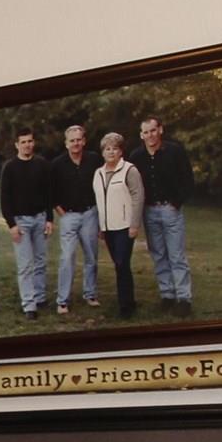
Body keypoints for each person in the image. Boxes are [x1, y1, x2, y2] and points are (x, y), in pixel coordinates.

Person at [133, 115, 196, 312]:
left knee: (176, 255)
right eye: (145, 132)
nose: (150, 135)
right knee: (158, 254)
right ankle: (167, 295)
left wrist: (177, 202)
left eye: (153, 130)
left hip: (171, 209)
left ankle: (184, 298)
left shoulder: (174, 151)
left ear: (160, 130)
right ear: (141, 135)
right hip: (149, 211)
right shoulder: (136, 157)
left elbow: (188, 179)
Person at [0, 124, 60, 316]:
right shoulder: (9, 168)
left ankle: (40, 298)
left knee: (40, 261)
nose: (27, 145)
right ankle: (29, 305)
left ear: (34, 143)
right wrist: (12, 225)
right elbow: (4, 199)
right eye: (23, 142)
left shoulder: (42, 165)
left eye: (30, 141)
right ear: (17, 145)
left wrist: (49, 219)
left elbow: (49, 194)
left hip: (40, 218)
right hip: (21, 222)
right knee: (25, 265)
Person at [92, 130, 147, 318]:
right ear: (102, 152)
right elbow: (99, 201)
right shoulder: (98, 173)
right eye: (107, 149)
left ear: (121, 151)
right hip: (108, 228)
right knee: (118, 264)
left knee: (122, 263)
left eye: (115, 149)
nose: (111, 152)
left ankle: (126, 307)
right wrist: (101, 226)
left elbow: (138, 197)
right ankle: (128, 300)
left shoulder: (129, 170)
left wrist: (134, 225)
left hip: (125, 226)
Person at [48, 123, 101, 314]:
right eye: (72, 140)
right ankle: (63, 300)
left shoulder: (94, 159)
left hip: (90, 214)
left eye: (79, 139)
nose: (76, 143)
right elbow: (51, 192)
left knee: (91, 257)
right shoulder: (57, 165)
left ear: (84, 141)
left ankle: (91, 293)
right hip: (68, 215)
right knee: (67, 257)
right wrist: (60, 211)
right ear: (66, 143)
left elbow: (102, 185)